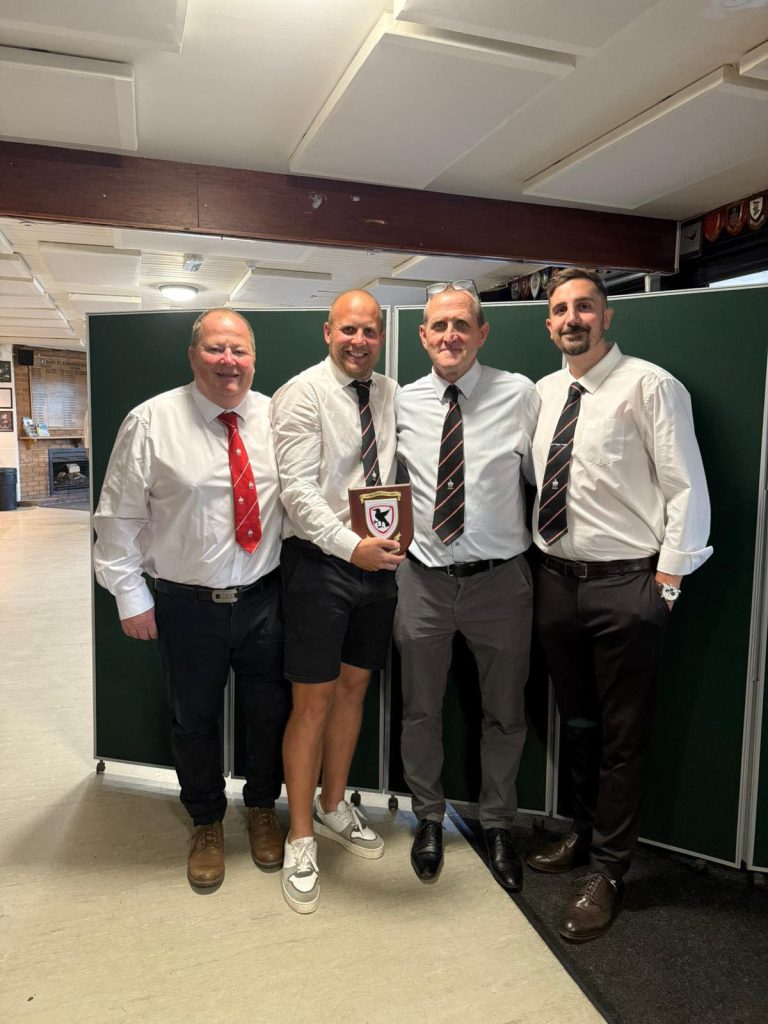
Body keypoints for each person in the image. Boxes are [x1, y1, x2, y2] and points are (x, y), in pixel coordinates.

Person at [528, 268, 712, 941]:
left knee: (623, 737)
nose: (571, 319)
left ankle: (608, 871)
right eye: (559, 310)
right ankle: (582, 835)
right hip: (554, 582)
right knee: (578, 726)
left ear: (607, 317)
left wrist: (663, 590)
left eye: (583, 307)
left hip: (627, 585)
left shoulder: (650, 385)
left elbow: (687, 489)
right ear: (548, 325)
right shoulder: (545, 393)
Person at [94, 308, 290, 891]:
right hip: (186, 603)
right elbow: (118, 516)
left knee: (269, 714)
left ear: (254, 357)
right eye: (215, 349)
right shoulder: (150, 421)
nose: (229, 361)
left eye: (240, 350)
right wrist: (130, 596)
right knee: (193, 719)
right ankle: (205, 819)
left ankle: (260, 808)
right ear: (193, 355)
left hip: (266, 598)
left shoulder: (277, 416)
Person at [394, 281, 539, 890]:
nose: (449, 335)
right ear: (423, 336)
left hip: (500, 583)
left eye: (462, 324)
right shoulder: (399, 402)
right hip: (421, 581)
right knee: (421, 709)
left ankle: (498, 822)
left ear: (482, 333)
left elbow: (553, 480)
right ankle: (428, 817)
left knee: (504, 713)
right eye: (438, 326)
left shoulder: (522, 395)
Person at [270, 289, 402, 914]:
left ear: (381, 336)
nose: (360, 341)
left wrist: (378, 548)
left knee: (354, 689)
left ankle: (332, 806)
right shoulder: (302, 393)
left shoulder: (388, 392)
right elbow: (296, 491)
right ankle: (299, 837)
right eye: (349, 330)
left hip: (377, 566)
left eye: (370, 332)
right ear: (328, 332)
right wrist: (353, 548)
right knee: (313, 700)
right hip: (322, 565)